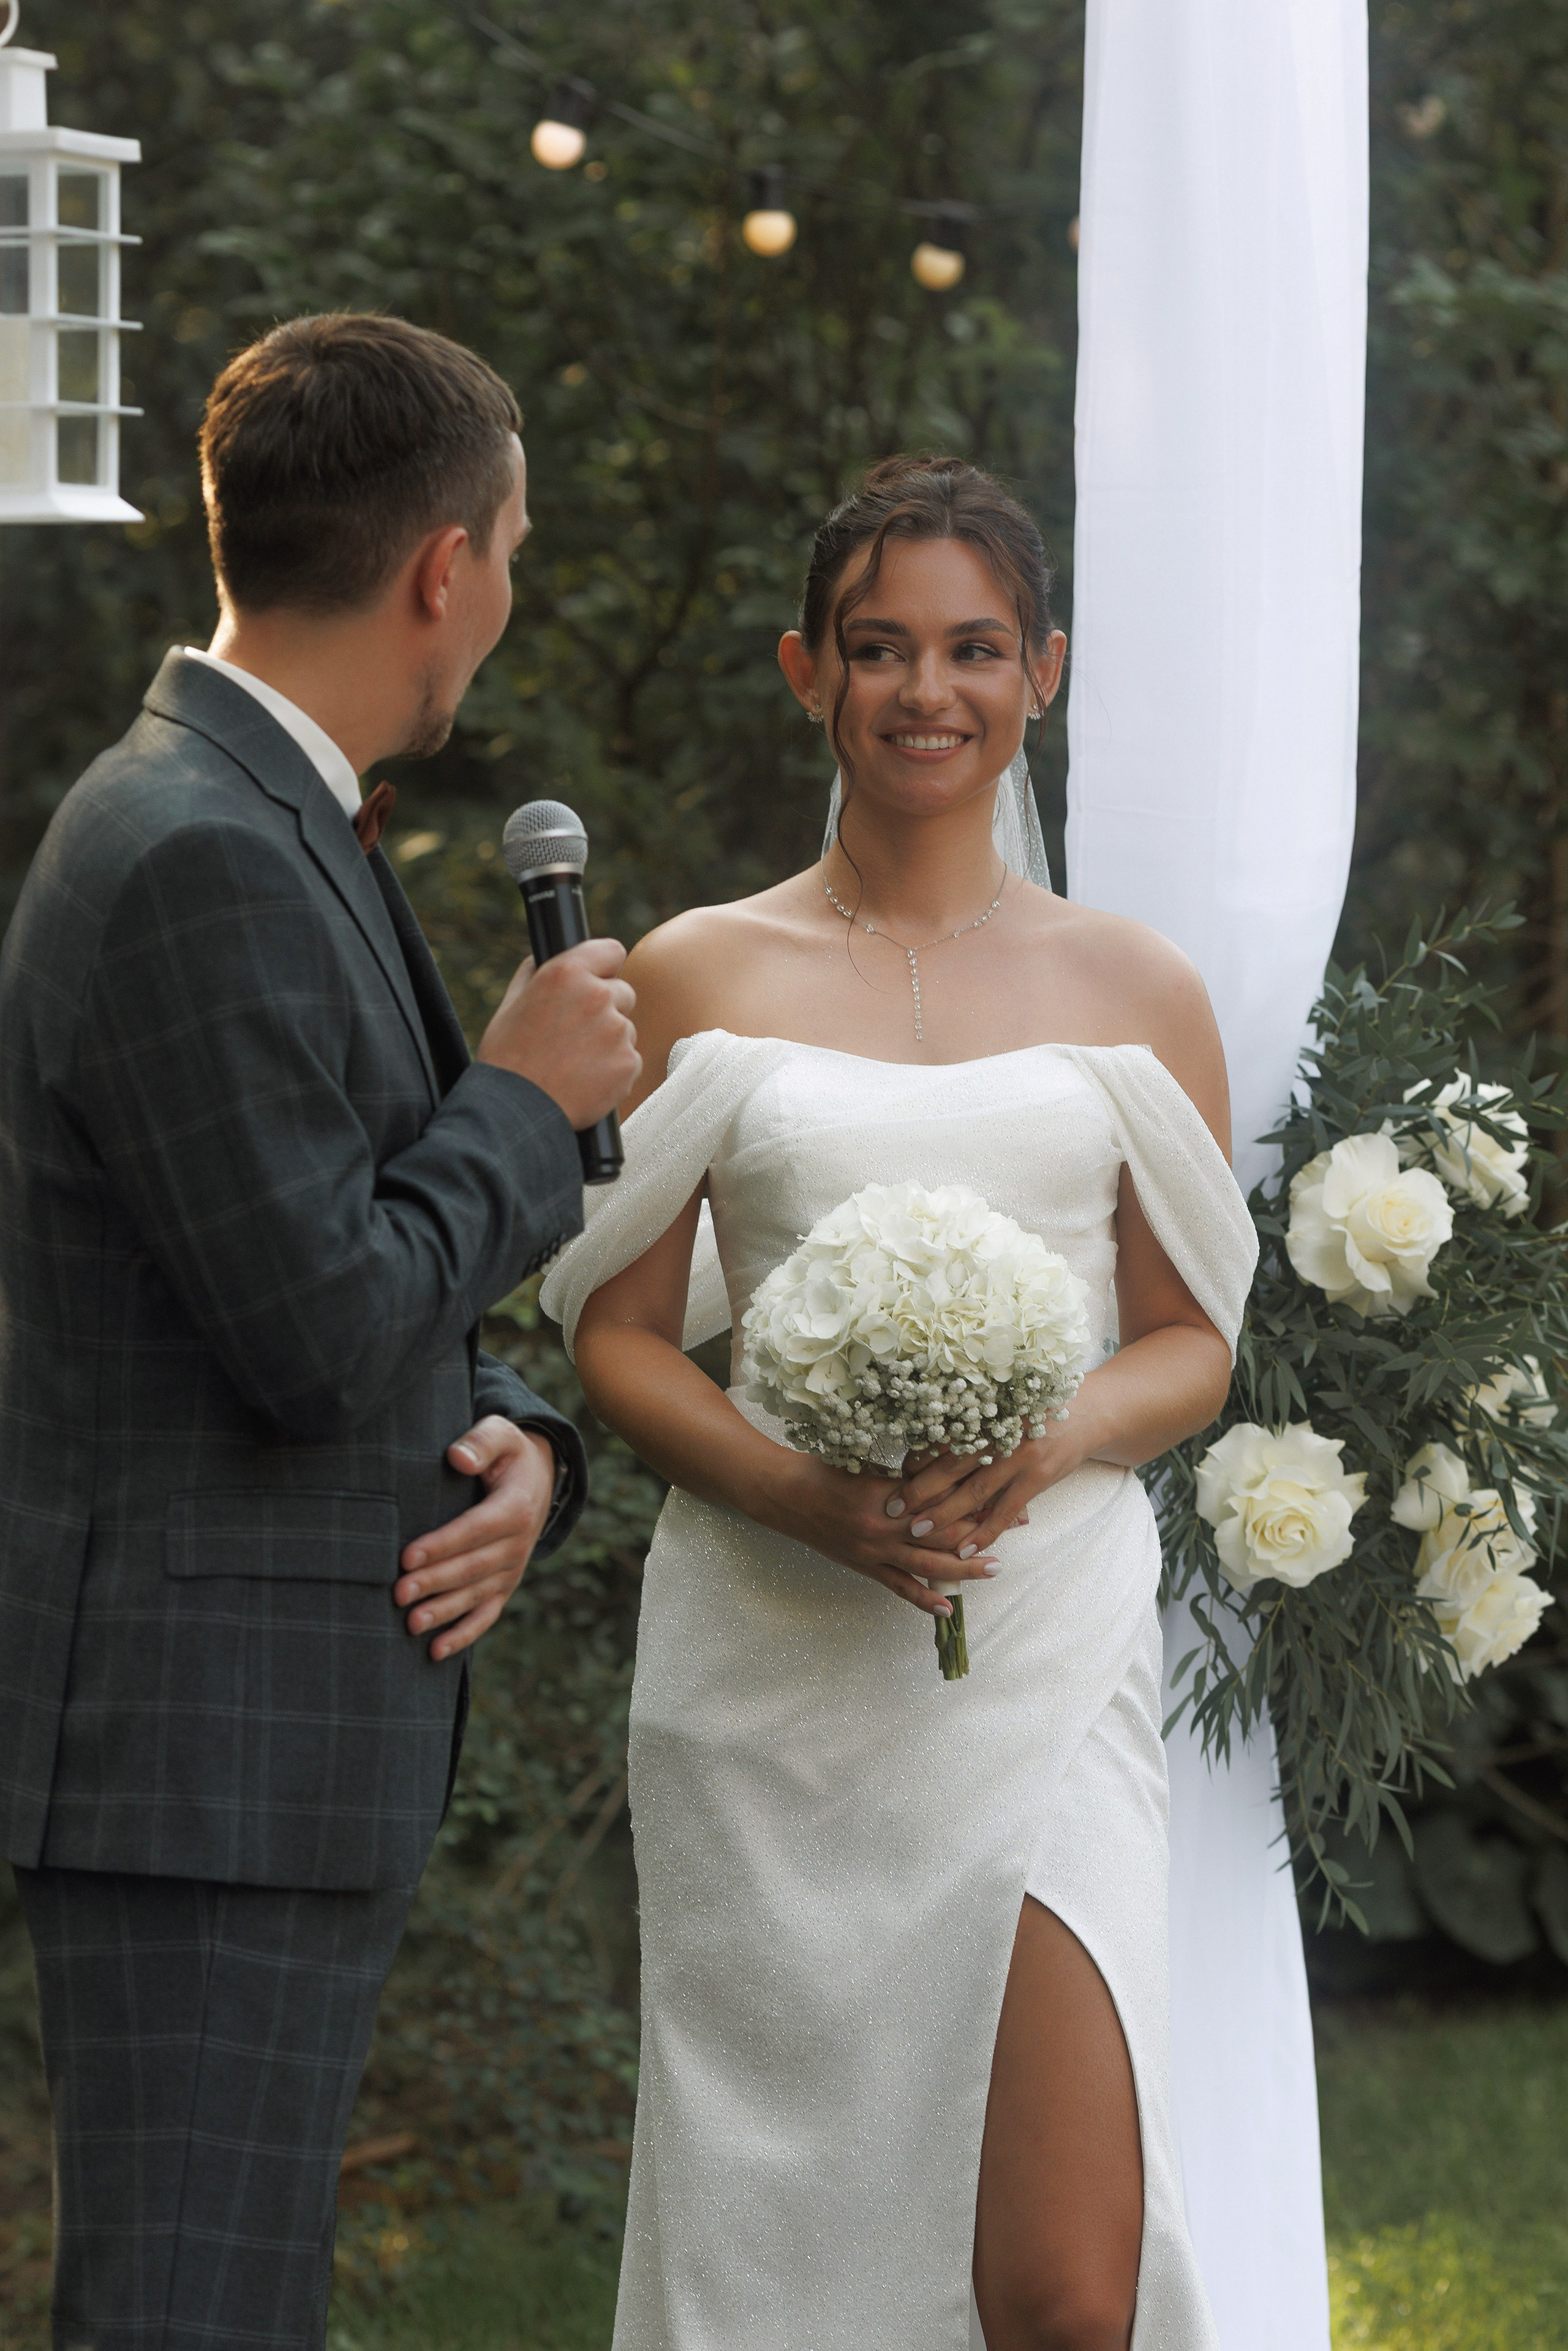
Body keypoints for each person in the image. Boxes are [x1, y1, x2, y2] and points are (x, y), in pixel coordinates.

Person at [540, 455, 1257, 2351]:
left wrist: (1062, 1436)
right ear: (806, 672)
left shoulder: (1134, 984)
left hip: (1041, 1648)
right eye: (878, 649)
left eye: (971, 648)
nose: (924, 691)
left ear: (1047, 673)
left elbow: (1194, 1341)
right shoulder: (699, 970)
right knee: (789, 2255)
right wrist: (805, 1500)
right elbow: (613, 1337)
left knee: (1063, 2292)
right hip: (777, 1671)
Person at [0, 313, 639, 2349]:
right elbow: (309, 1323)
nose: (509, 603)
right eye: (514, 553)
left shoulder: (269, 812)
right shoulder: (195, 848)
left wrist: (515, 1427)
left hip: (256, 1751)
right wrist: (530, 1103)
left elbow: (319, 1234)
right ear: (441, 565)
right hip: (206, 1761)